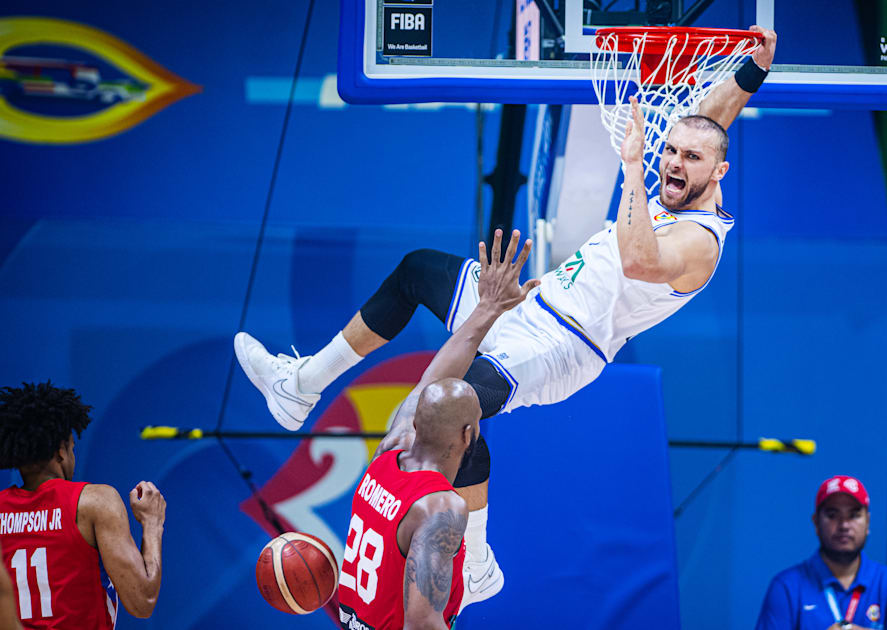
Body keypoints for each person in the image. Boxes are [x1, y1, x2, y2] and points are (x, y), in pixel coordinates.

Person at [234, 26, 779, 607]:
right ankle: (302, 386)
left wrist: (633, 167)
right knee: (419, 271)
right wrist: (753, 71)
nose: (673, 163)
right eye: (669, 150)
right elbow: (708, 127)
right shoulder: (687, 166)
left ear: (718, 174)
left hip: (563, 346)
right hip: (532, 304)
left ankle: (478, 561)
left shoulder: (700, 239)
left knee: (448, 409)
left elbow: (640, 260)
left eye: (688, 159)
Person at [337, 230, 534, 629]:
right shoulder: (440, 509)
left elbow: (433, 377)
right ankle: (477, 570)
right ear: (468, 436)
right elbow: (422, 623)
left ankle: (477, 570)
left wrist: (489, 307)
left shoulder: (388, 453)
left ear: (416, 421)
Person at [0, 381, 166, 628]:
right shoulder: (94, 502)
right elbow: (143, 601)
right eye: (72, 448)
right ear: (60, 451)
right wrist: (152, 524)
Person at [756, 475, 887, 630]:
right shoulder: (786, 586)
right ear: (816, 523)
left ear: (867, 522)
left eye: (854, 515)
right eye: (832, 515)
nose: (844, 525)